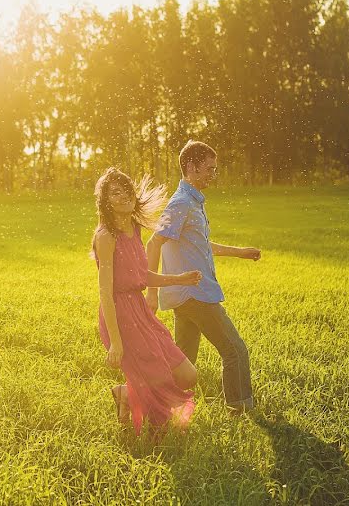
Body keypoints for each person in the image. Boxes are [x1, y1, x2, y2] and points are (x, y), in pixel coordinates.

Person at [146, 141, 262, 415]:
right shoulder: (182, 203)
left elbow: (200, 244)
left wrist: (240, 253)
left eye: (215, 168)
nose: (214, 173)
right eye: (209, 168)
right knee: (235, 350)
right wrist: (152, 293)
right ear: (191, 167)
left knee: (183, 363)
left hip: (187, 295)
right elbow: (153, 243)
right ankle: (240, 409)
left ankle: (156, 405)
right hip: (194, 294)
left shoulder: (192, 202)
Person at [92, 167, 201, 435]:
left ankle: (125, 394)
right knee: (158, 378)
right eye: (114, 193)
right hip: (119, 315)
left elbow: (140, 276)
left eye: (126, 190)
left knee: (188, 375)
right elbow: (106, 292)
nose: (123, 196)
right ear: (105, 202)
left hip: (139, 310)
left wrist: (179, 279)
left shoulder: (134, 228)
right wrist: (116, 342)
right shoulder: (105, 237)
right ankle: (154, 437)